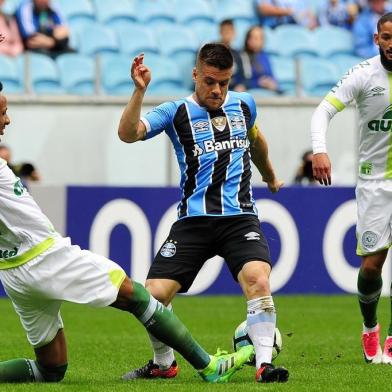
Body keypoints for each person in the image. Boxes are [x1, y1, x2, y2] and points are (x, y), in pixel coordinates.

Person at [0, 86, 253, 383]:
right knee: (134, 294)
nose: (8, 120)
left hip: (13, 271)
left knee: (50, 369)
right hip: (44, 256)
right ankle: (209, 366)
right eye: (3, 112)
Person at [117, 43, 289, 383]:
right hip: (193, 221)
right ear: (195, 75)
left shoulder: (244, 104)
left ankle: (264, 365)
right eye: (210, 81)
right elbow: (127, 134)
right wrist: (139, 92)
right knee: (152, 294)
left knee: (258, 280)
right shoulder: (175, 111)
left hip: (240, 217)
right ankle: (163, 364)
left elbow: (256, 142)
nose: (217, 90)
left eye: (224, 83)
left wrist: (269, 175)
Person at [311, 12, 392, 365]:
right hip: (374, 184)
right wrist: (319, 149)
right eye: (387, 36)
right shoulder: (363, 75)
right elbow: (322, 112)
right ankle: (370, 325)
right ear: (377, 40)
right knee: (372, 266)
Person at [240, 25, 280, 93]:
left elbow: (271, 76)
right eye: (255, 38)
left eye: (261, 38)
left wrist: (272, 84)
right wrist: (258, 83)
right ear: (248, 40)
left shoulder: (265, 56)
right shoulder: (242, 56)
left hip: (268, 93)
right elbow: (240, 81)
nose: (258, 41)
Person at [219, 19, 246, 91]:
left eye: (230, 30)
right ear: (220, 32)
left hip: (233, 90)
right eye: (225, 30)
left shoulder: (238, 54)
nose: (227, 33)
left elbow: (244, 76)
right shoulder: (211, 52)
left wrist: (242, 85)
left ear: (234, 33)